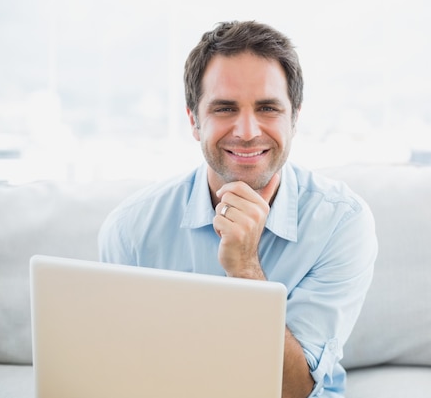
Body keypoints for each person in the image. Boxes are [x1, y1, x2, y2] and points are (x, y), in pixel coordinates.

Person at [98, 20, 377, 398]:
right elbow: (119, 373)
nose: (247, 131)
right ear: (194, 121)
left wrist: (246, 270)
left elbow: (296, 391)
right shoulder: (130, 230)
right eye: (225, 108)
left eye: (267, 108)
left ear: (294, 117)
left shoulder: (341, 223)